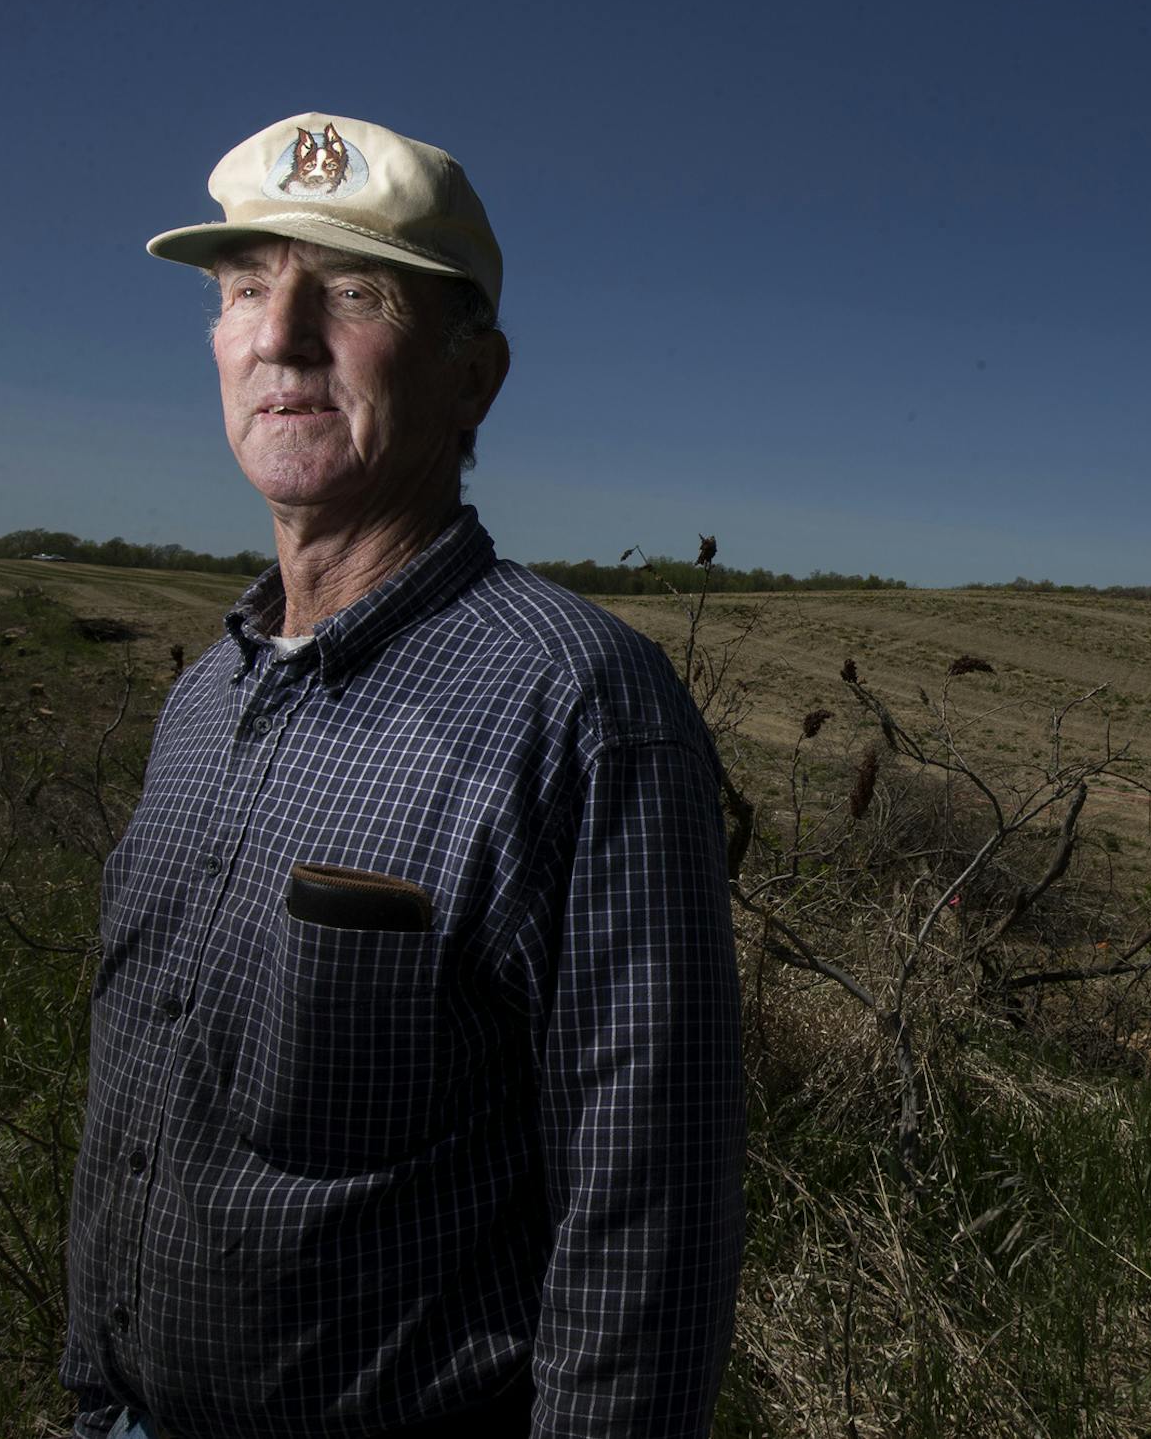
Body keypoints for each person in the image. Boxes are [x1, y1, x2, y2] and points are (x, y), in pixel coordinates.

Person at [62, 113, 745, 1438]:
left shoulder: (581, 710)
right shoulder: (204, 697)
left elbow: (646, 1237)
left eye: (354, 293)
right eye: (244, 288)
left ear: (473, 375)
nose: (281, 335)